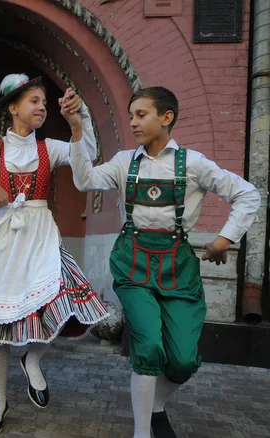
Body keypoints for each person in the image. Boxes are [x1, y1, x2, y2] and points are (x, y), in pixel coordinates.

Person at [68, 86, 261, 438]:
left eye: (141, 115)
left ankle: (156, 405)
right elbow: (84, 181)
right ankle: (143, 432)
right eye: (131, 116)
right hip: (132, 262)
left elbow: (247, 193)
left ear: (166, 117)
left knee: (183, 361)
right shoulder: (125, 161)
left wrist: (224, 239)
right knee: (149, 346)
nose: (133, 123)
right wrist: (78, 132)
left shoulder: (195, 163)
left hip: (178, 266)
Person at [0, 74, 109, 436]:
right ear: (13, 107)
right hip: (0, 239)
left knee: (60, 303)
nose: (42, 107)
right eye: (34, 100)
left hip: (40, 236)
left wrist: (80, 124)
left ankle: (33, 357)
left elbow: (85, 169)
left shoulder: (52, 148)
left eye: (44, 102)